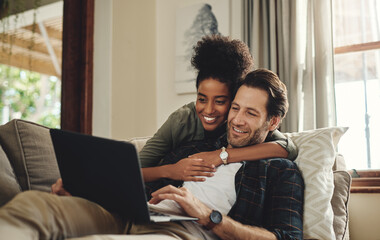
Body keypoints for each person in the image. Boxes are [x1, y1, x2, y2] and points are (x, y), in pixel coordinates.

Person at [0, 69, 304, 240]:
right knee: (35, 203)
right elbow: (132, 183)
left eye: (251, 113)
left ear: (273, 121)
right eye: (235, 108)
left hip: (185, 233)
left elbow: (285, 237)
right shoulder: (193, 147)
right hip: (137, 215)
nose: (237, 120)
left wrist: (208, 215)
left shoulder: (279, 170)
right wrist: (84, 189)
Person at [140, 35, 298, 184]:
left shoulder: (240, 123)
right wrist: (171, 171)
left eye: (220, 101)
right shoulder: (182, 120)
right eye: (202, 99)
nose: (208, 110)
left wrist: (221, 156)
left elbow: (287, 149)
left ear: (234, 99)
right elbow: (134, 169)